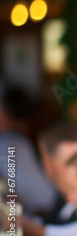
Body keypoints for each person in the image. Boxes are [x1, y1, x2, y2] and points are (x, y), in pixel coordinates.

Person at [0, 86, 58, 218]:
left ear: (8, 116)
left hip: (42, 214)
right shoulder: (20, 143)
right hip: (49, 208)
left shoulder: (10, 143)